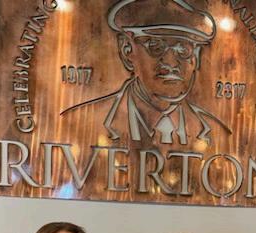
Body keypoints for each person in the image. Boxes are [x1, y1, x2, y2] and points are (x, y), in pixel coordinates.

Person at [60, 0, 231, 147]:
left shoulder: (216, 132)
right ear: (127, 51)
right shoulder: (81, 123)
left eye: (183, 49)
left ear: (195, 57)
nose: (171, 63)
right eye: (156, 46)